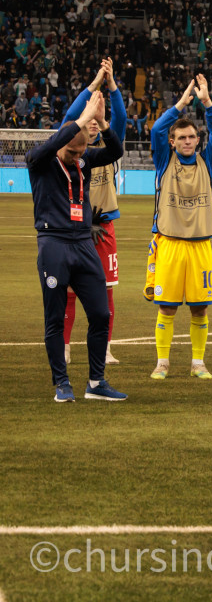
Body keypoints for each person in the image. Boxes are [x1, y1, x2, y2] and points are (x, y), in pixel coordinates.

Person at [28, 90, 126, 402]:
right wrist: (82, 119)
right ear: (60, 144)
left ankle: (96, 383)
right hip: (54, 244)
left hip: (84, 244)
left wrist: (101, 123)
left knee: (100, 313)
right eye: (71, 151)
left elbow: (114, 152)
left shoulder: (83, 160)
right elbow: (50, 149)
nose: (76, 157)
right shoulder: (41, 162)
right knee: (55, 318)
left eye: (81, 152)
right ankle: (62, 384)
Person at [148, 74, 212, 381]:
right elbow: (155, 128)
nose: (188, 141)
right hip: (169, 244)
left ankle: (198, 363)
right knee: (166, 308)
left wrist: (206, 102)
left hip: (200, 246)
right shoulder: (164, 160)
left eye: (192, 137)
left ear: (198, 139)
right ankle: (162, 363)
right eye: (181, 137)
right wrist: (181, 104)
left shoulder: (208, 160)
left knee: (200, 309)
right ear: (173, 142)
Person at [61, 58, 125, 367]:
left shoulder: (109, 153)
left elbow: (121, 117)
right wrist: (96, 81)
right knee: (70, 292)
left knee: (107, 292)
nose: (94, 125)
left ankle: (107, 348)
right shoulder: (73, 153)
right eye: (88, 122)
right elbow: (70, 116)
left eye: (97, 122)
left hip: (105, 227)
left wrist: (111, 85)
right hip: (76, 227)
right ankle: (65, 346)